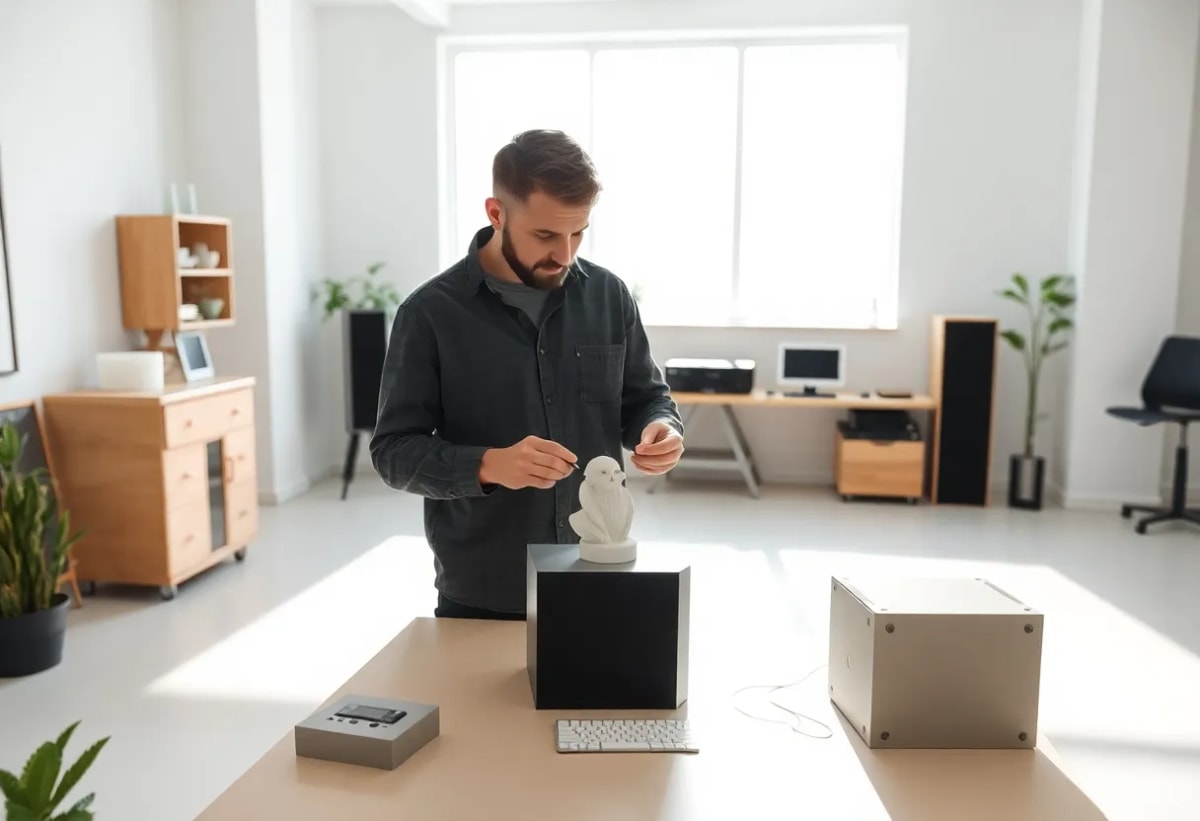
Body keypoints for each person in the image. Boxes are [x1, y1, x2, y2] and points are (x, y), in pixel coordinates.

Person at [370, 129, 685, 621]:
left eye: (578, 232)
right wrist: (489, 465)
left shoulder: (609, 295)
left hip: (596, 568)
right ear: (496, 213)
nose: (565, 253)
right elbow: (392, 453)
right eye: (545, 235)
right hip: (487, 588)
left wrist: (659, 427)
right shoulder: (429, 313)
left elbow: (646, 397)